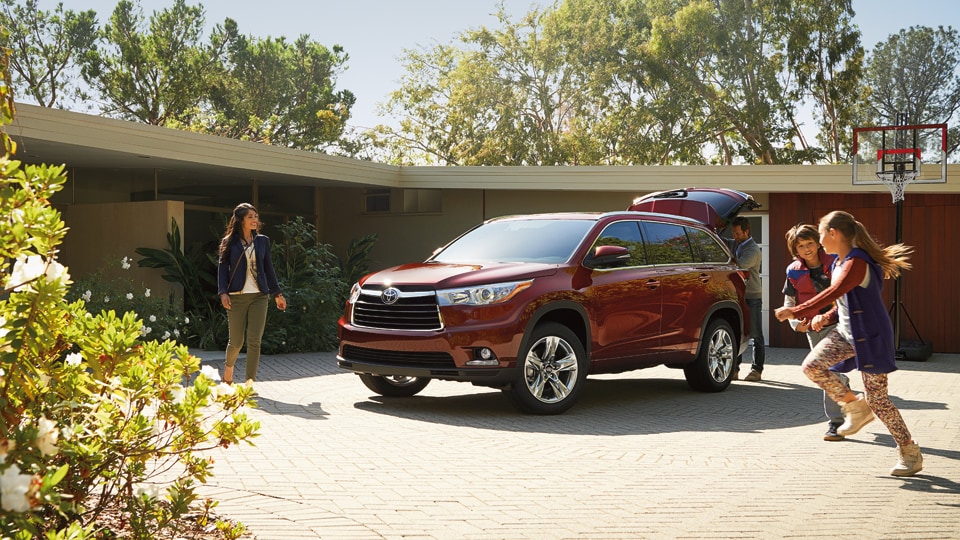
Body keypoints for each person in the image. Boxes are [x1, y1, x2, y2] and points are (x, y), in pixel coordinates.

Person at [775, 211, 921, 477]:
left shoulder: (857, 262)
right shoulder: (841, 262)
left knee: (879, 400)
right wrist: (826, 316)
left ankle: (909, 452)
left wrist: (796, 311)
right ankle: (855, 407)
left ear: (834, 234)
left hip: (871, 337)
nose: (818, 241)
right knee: (812, 367)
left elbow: (834, 292)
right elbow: (844, 302)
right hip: (845, 333)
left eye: (819, 234)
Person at [781, 224, 852, 441]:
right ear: (795, 250)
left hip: (838, 324)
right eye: (800, 246)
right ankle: (842, 385)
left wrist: (828, 315)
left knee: (825, 368)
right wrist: (795, 324)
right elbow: (789, 300)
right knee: (826, 372)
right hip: (812, 328)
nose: (806, 249)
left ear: (817, 242)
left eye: (809, 243)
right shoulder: (792, 270)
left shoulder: (835, 263)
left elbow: (844, 297)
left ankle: (835, 422)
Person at [217, 203, 286, 387]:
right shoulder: (228, 242)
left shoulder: (262, 241)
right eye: (250, 217)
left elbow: (268, 269)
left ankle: (249, 383)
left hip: (259, 296)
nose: (255, 220)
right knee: (236, 342)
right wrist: (223, 292)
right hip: (237, 296)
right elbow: (222, 269)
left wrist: (277, 293)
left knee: (254, 340)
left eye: (256, 216)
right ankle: (228, 370)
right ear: (241, 220)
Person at [729, 216, 764, 382]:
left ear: (746, 232)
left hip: (752, 296)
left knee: (756, 335)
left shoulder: (753, 250)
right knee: (738, 333)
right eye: (733, 233)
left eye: (737, 233)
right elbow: (724, 242)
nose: (735, 236)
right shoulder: (737, 243)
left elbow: (738, 265)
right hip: (738, 296)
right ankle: (734, 370)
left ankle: (757, 370)